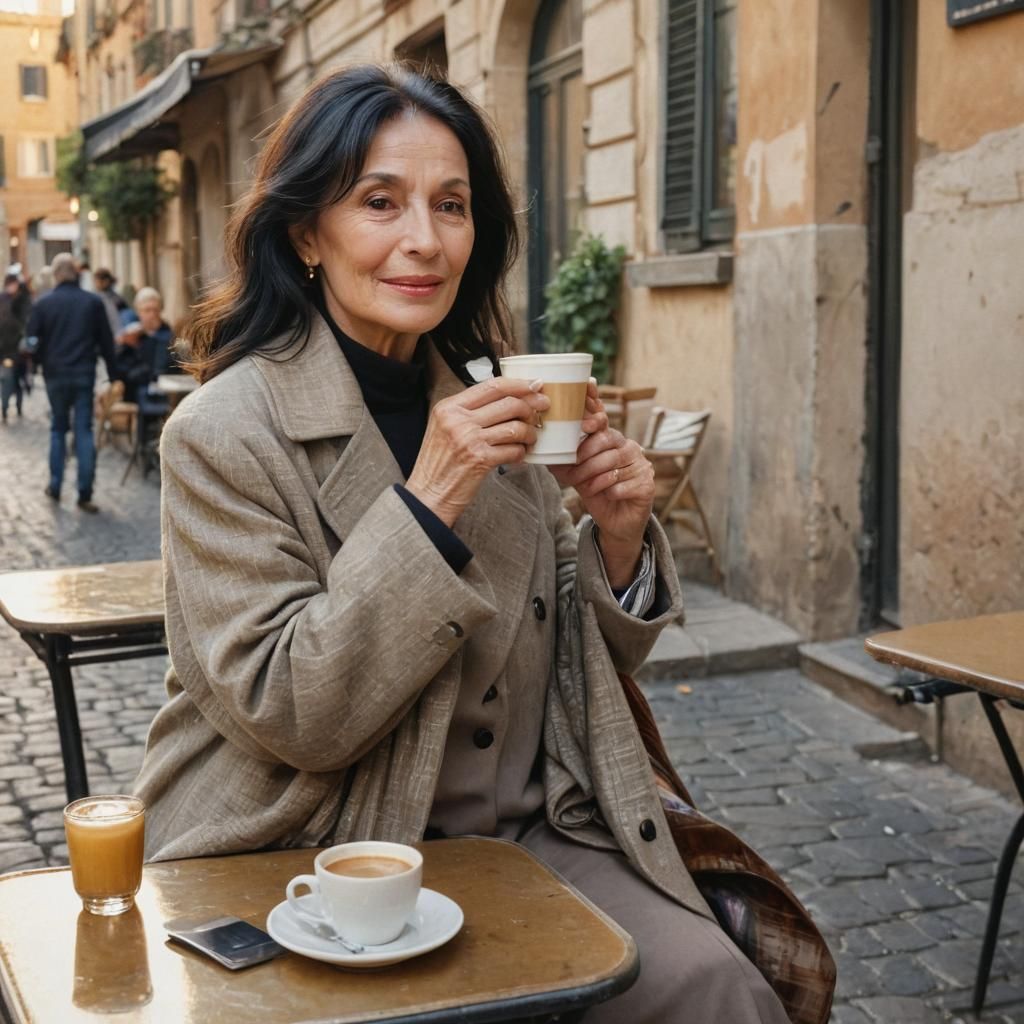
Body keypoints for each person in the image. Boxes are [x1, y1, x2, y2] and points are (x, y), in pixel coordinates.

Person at [134, 65, 795, 1023]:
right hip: (310, 847)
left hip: (522, 835)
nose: (425, 241)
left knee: (721, 988)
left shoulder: (495, 401)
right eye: (379, 202)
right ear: (305, 233)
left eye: (452, 205)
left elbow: (572, 663)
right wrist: (430, 497)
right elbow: (292, 712)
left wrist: (614, 543)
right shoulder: (223, 431)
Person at [25, 253, 117, 513]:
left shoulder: (43, 305)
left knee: (57, 429)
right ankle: (84, 492)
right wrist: (115, 374)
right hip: (83, 374)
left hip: (55, 375)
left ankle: (55, 485)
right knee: (84, 431)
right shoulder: (92, 302)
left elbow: (31, 343)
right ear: (76, 274)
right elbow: (107, 343)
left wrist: (41, 363)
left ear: (55, 276)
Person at [0, 274, 24, 422]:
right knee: (7, 379)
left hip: (19, 349)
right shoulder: (2, 300)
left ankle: (19, 405)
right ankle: (5, 407)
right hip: (5, 349)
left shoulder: (22, 300)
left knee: (18, 380)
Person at [93, 268, 128, 339]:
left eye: (98, 281)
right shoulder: (117, 298)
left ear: (105, 281)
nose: (96, 284)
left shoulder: (115, 299)